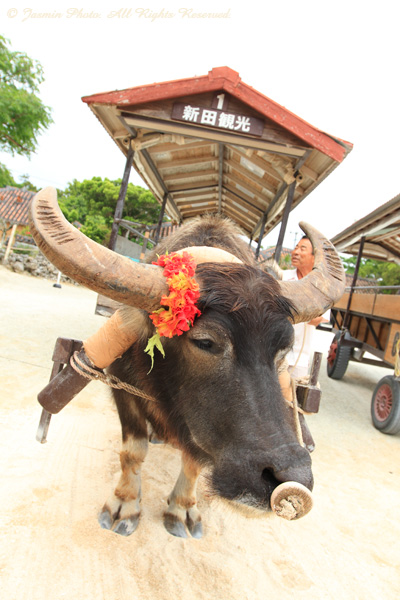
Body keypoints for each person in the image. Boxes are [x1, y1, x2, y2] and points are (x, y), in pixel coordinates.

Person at [282, 236, 329, 378]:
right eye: (296, 247)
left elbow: (317, 320)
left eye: (302, 249)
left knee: (295, 396)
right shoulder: (282, 278)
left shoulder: (321, 286)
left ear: (315, 257)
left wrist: (290, 309)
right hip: (273, 353)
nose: (295, 252)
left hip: (299, 358)